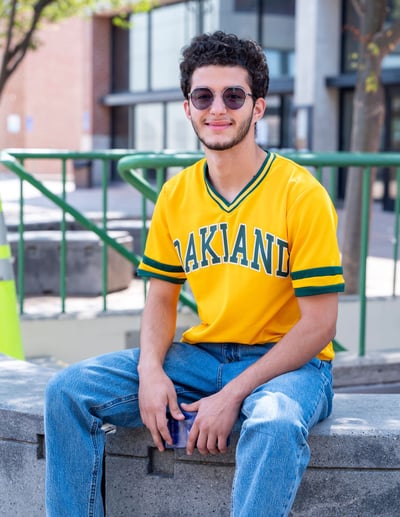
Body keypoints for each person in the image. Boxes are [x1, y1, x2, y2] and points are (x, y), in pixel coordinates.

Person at [44, 30, 345, 517]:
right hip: (201, 358)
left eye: (234, 96)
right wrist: (150, 370)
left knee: (273, 423)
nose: (217, 109)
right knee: (67, 393)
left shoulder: (300, 193)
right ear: (188, 108)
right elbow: (160, 299)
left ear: (259, 107)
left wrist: (232, 396)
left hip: (289, 365)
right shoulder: (176, 194)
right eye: (203, 96)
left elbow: (319, 326)